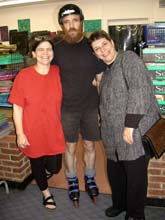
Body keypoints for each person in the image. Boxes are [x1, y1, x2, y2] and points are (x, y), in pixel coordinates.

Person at [88, 30, 161, 220]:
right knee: (116, 173)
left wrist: (130, 125)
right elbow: (107, 101)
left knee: (135, 177)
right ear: (94, 54)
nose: (103, 51)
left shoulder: (129, 59)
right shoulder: (106, 71)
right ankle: (120, 204)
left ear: (112, 42)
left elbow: (140, 90)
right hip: (112, 134)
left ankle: (136, 214)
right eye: (97, 49)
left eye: (104, 44)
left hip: (133, 131)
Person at [52, 4, 105, 206]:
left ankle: (90, 178)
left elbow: (100, 79)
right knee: (70, 147)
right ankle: (72, 180)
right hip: (67, 109)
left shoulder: (93, 48)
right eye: (66, 22)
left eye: (74, 20)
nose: (71, 25)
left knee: (91, 145)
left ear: (81, 22)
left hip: (91, 107)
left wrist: (102, 107)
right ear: (62, 26)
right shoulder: (55, 51)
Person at [8, 39, 66, 210]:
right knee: (37, 163)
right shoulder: (24, 75)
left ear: (53, 53)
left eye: (49, 49)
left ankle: (42, 174)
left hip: (54, 128)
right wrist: (20, 133)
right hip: (32, 129)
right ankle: (46, 193)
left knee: (55, 167)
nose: (45, 53)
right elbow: (17, 107)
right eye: (41, 50)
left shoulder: (57, 72)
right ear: (33, 54)